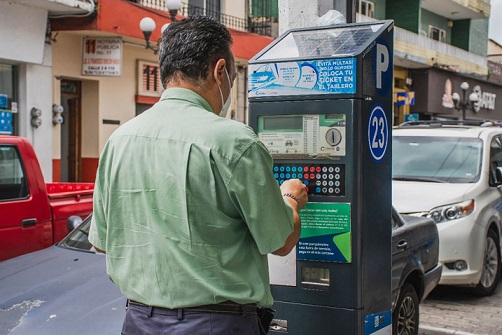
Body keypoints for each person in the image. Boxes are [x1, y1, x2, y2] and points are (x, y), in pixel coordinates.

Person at [89, 15, 308, 335]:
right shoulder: (235, 142)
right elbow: (281, 241)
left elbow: (104, 243)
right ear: (220, 70)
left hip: (138, 321)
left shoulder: (119, 140)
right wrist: (289, 199)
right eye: (233, 75)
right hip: (216, 324)